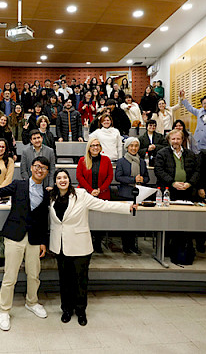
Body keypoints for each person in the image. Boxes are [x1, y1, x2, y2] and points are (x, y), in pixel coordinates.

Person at [50, 168, 134, 326]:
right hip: (60, 246)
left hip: (80, 245)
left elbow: (103, 205)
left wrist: (126, 207)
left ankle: (81, 311)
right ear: (55, 181)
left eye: (65, 177)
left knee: (80, 281)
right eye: (59, 178)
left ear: (69, 180)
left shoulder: (81, 195)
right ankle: (67, 310)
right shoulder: (51, 197)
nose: (62, 180)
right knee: (65, 281)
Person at [0, 156, 51, 332]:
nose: (39, 170)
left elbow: (44, 220)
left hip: (35, 239)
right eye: (37, 166)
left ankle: (32, 302)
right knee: (10, 276)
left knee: (34, 274)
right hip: (15, 236)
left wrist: (44, 241)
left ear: (47, 172)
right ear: (31, 168)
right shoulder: (19, 185)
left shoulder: (47, 192)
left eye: (43, 168)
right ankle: (4, 310)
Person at [76, 137, 113, 253]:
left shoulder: (106, 160)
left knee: (100, 221)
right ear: (89, 148)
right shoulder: (82, 160)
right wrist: (91, 190)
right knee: (85, 220)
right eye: (93, 145)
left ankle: (97, 243)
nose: (95, 147)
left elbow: (110, 177)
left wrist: (100, 190)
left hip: (102, 194)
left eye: (97, 145)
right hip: (85, 194)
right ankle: (85, 243)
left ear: (100, 147)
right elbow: (79, 177)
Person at [115, 137, 150, 254]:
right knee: (126, 222)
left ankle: (133, 245)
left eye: (136, 146)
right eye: (131, 146)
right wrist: (133, 179)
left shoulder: (142, 162)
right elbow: (118, 177)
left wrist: (142, 179)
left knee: (136, 222)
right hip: (125, 194)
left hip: (138, 195)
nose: (134, 148)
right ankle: (126, 245)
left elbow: (147, 177)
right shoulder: (121, 161)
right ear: (127, 147)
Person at [154, 129, 199, 201]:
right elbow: (158, 171)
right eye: (173, 139)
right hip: (168, 190)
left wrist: (189, 183)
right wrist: (173, 183)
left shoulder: (190, 154)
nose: (175, 141)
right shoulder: (161, 153)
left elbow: (197, 171)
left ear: (182, 140)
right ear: (169, 140)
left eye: (178, 139)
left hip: (187, 191)